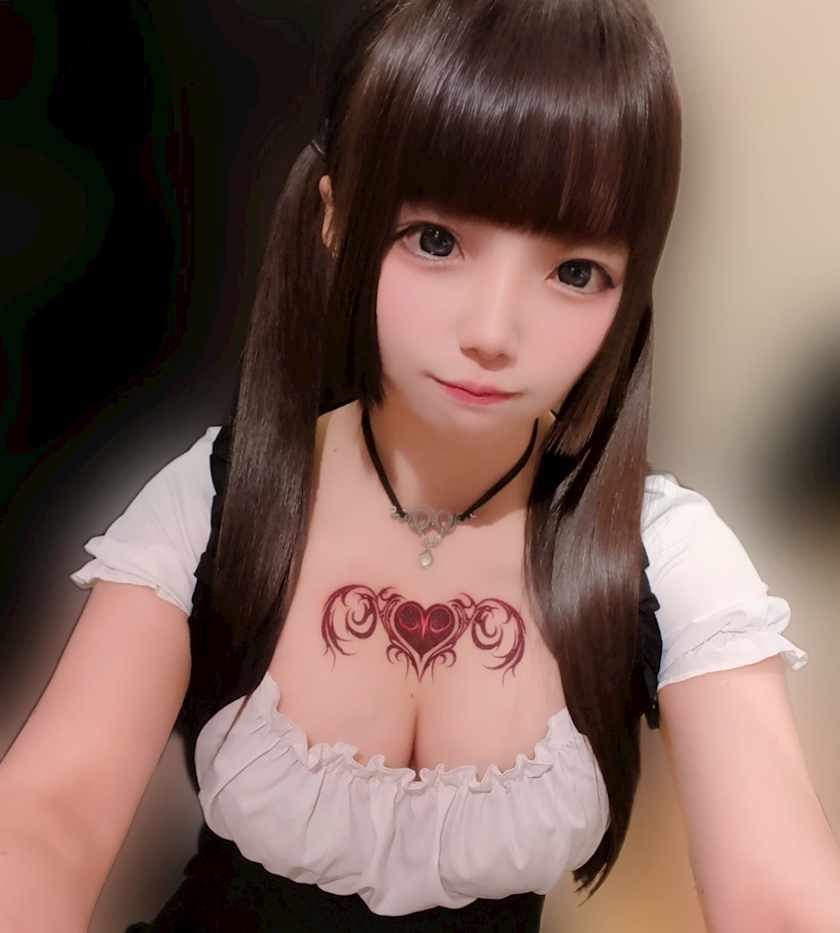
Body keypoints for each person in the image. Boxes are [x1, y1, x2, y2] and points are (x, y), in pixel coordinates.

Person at [2, 0, 840, 930]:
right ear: (336, 217)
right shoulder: (216, 501)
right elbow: (51, 814)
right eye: (437, 241)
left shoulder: (663, 553)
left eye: (575, 271)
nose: (494, 331)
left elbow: (779, 889)